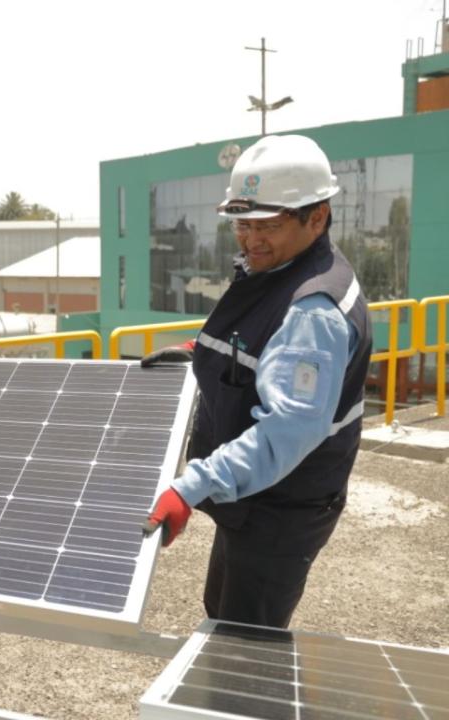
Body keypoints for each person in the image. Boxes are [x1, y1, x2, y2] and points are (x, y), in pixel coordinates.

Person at [142, 135, 373, 629]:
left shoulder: (315, 312)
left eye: (267, 226)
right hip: (252, 493)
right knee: (222, 617)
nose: (251, 240)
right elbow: (267, 345)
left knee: (246, 645)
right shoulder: (286, 267)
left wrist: (190, 488)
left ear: (318, 216)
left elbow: (287, 431)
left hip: (281, 509)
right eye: (242, 226)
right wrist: (203, 356)